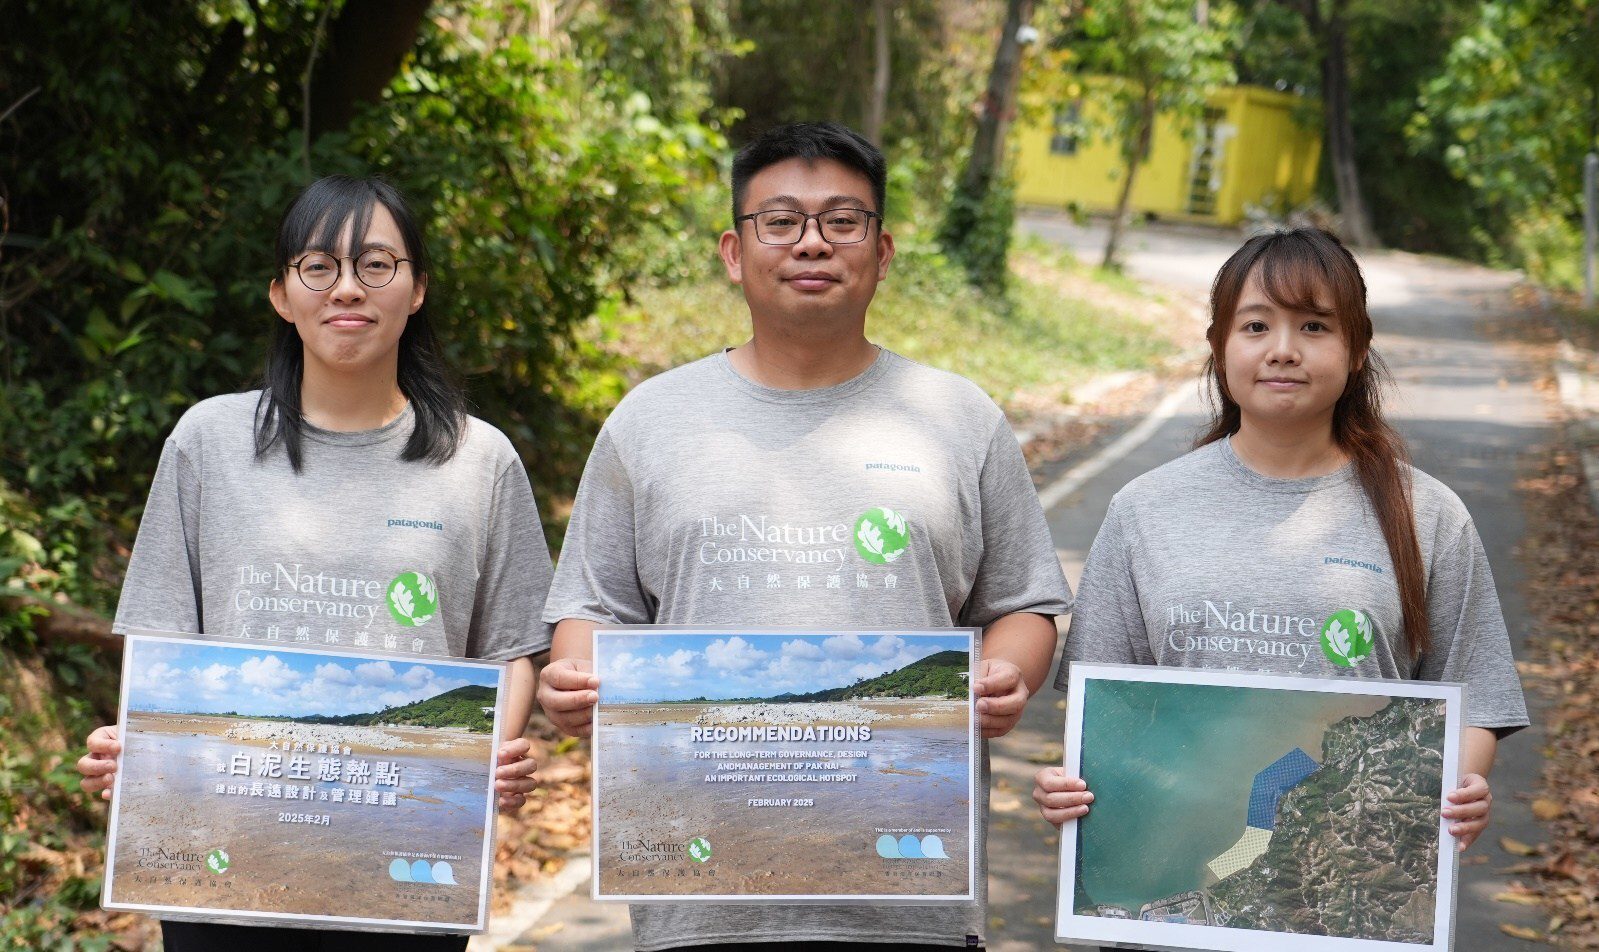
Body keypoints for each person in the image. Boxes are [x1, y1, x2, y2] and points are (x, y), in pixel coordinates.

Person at [537, 121, 1073, 950]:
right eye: (780, 221)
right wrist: (573, 675)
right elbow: (591, 604)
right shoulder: (651, 419)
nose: (811, 243)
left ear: (883, 251)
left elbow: (1026, 603)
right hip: (696, 903)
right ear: (732, 251)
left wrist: (1010, 673)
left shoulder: (957, 418)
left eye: (841, 221)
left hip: (908, 901)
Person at [75, 175, 555, 952]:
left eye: (375, 265)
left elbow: (510, 646)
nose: (347, 290)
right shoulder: (208, 441)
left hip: (406, 862)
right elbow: (160, 642)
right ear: (281, 294)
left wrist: (484, 758)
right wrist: (132, 745)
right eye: (318, 266)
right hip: (220, 861)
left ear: (417, 288)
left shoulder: (480, 460)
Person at [1033, 228, 1528, 851]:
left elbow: (1475, 695)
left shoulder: (1428, 514)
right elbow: (1106, 707)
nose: (1283, 350)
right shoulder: (1145, 509)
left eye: (1315, 327)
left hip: (1350, 886)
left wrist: (1459, 784)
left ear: (1357, 350)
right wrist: (1069, 783)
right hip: (1170, 880)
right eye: (1256, 326)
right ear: (1219, 347)